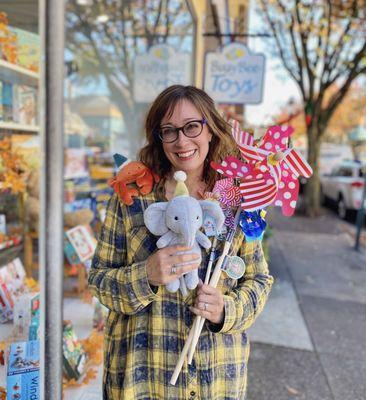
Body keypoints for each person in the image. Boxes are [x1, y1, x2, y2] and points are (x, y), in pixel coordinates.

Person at [88, 85, 274, 399]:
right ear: (158, 138)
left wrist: (225, 310)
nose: (182, 141)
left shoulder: (238, 200)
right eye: (169, 131)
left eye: (192, 126)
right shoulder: (132, 198)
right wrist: (145, 275)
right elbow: (98, 281)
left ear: (211, 129)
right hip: (143, 379)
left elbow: (259, 280)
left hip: (215, 380)